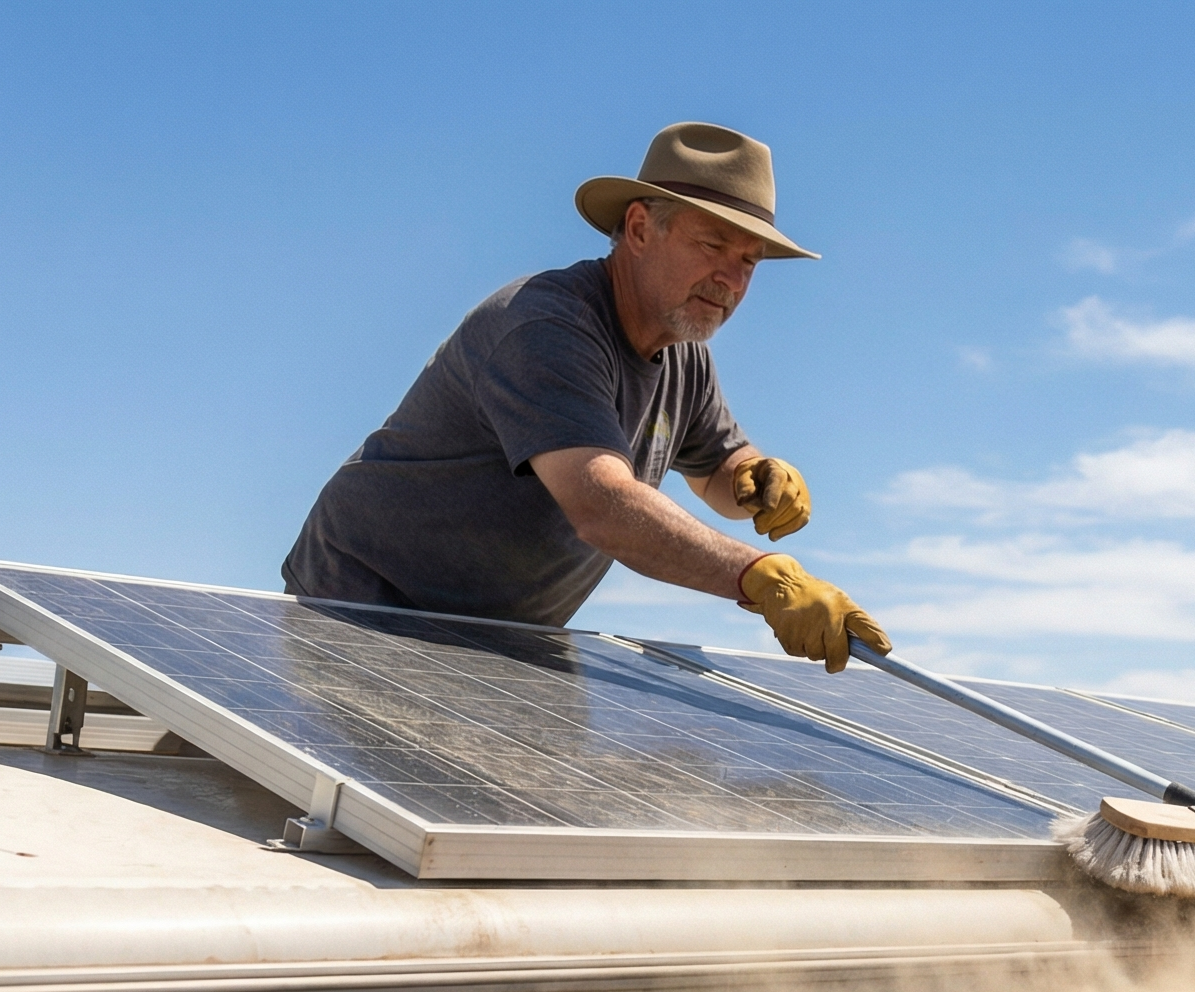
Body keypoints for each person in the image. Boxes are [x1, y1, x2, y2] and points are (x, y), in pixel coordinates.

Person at [281, 122, 888, 671]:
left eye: (749, 261)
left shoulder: (684, 353)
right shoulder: (547, 326)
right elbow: (600, 503)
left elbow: (716, 472)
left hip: (501, 635)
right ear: (640, 228)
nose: (730, 279)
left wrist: (757, 477)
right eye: (712, 246)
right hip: (364, 608)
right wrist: (759, 575)